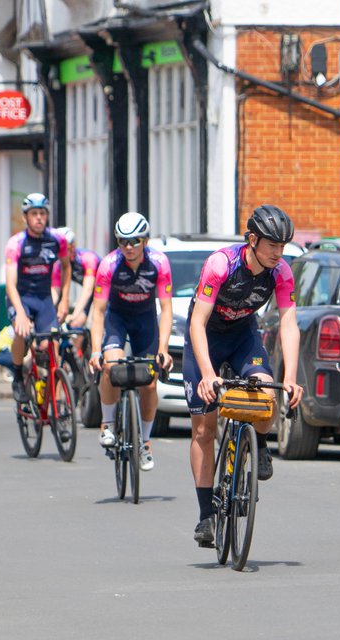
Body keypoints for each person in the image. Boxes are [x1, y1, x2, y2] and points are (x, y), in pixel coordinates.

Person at [184, 205, 303, 548]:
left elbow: (289, 325)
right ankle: (206, 515)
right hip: (206, 336)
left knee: (267, 394)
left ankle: (260, 441)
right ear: (252, 240)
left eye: (282, 246)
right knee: (204, 429)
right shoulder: (221, 264)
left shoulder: (281, 272)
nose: (278, 253)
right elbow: (196, 323)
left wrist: (291, 376)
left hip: (242, 336)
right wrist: (207, 374)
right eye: (272, 245)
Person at [87, 212, 174, 471]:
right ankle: (108, 423)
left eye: (134, 241)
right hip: (117, 318)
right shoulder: (109, 264)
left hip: (145, 320)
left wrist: (164, 350)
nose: (128, 247)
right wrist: (94, 351)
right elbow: (99, 312)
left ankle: (145, 443)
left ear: (145, 240)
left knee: (149, 382)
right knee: (111, 368)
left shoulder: (159, 262)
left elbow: (166, 309)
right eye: (122, 241)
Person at [3, 193, 72, 403]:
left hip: (44, 300)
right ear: (25, 218)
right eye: (34, 214)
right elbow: (10, 285)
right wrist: (21, 315)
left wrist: (65, 300)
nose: (39, 218)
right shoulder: (16, 243)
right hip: (21, 297)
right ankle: (17, 374)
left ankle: (53, 399)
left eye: (43, 213)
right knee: (21, 333)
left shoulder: (57, 240)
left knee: (51, 347)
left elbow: (66, 267)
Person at [51, 228, 101, 330]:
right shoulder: (58, 265)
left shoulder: (88, 258)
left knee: (96, 319)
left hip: (105, 290)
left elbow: (88, 290)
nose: (59, 253)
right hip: (93, 292)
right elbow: (55, 295)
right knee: (75, 324)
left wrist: (74, 314)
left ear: (72, 247)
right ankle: (79, 345)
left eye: (63, 248)